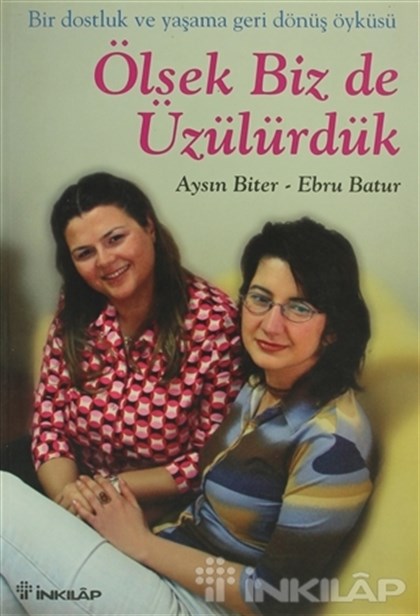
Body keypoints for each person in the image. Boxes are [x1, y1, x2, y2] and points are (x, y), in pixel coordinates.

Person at [1, 217, 374, 616]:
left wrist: (141, 543)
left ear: (333, 328)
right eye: (261, 298)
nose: (270, 324)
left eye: (299, 308)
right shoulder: (261, 385)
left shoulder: (334, 443)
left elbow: (275, 597)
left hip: (199, 605)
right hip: (161, 563)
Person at [2, 172, 242, 520]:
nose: (103, 260)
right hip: (72, 487)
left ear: (149, 227)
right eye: (85, 253)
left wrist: (104, 491)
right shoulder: (77, 306)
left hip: (154, 504)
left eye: (115, 239)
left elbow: (208, 458)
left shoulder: (214, 323)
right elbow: (49, 421)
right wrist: (70, 499)